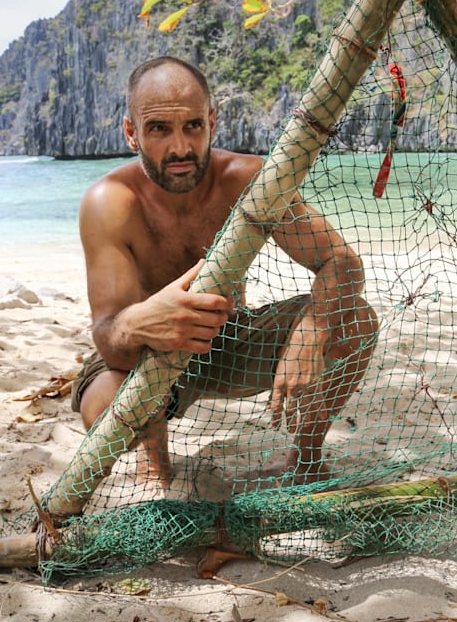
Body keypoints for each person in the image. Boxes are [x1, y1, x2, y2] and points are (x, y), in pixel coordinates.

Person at [71, 56, 377, 489]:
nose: (179, 147)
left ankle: (305, 457)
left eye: (192, 126)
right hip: (148, 357)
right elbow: (111, 343)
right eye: (159, 129)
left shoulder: (248, 180)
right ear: (130, 132)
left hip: (230, 341)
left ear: (212, 122)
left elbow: (342, 263)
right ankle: (155, 462)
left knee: (355, 321)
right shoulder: (110, 202)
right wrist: (143, 320)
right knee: (102, 405)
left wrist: (311, 334)